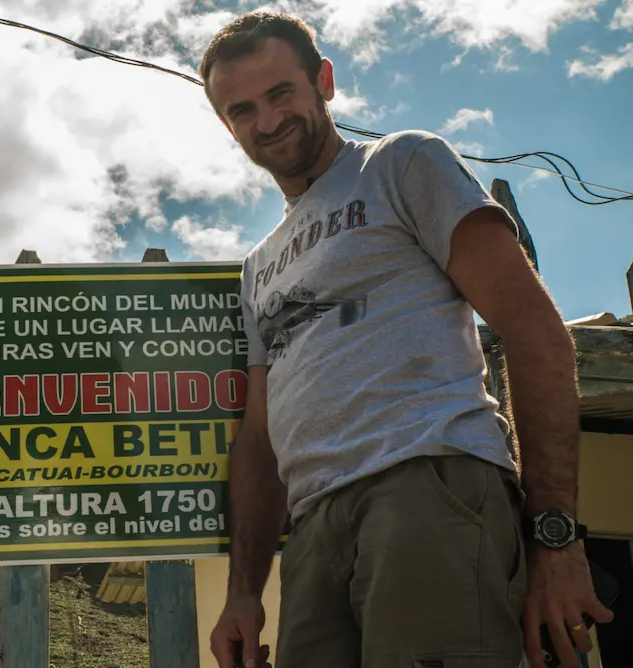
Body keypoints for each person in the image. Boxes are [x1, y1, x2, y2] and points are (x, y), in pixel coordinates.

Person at [199, 11, 614, 668]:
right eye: (243, 108)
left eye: (281, 93)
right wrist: (243, 592)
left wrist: (555, 540)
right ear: (229, 125)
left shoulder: (402, 162)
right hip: (312, 536)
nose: (267, 120)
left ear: (323, 82)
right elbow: (258, 436)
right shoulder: (259, 266)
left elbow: (535, 333)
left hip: (427, 484)